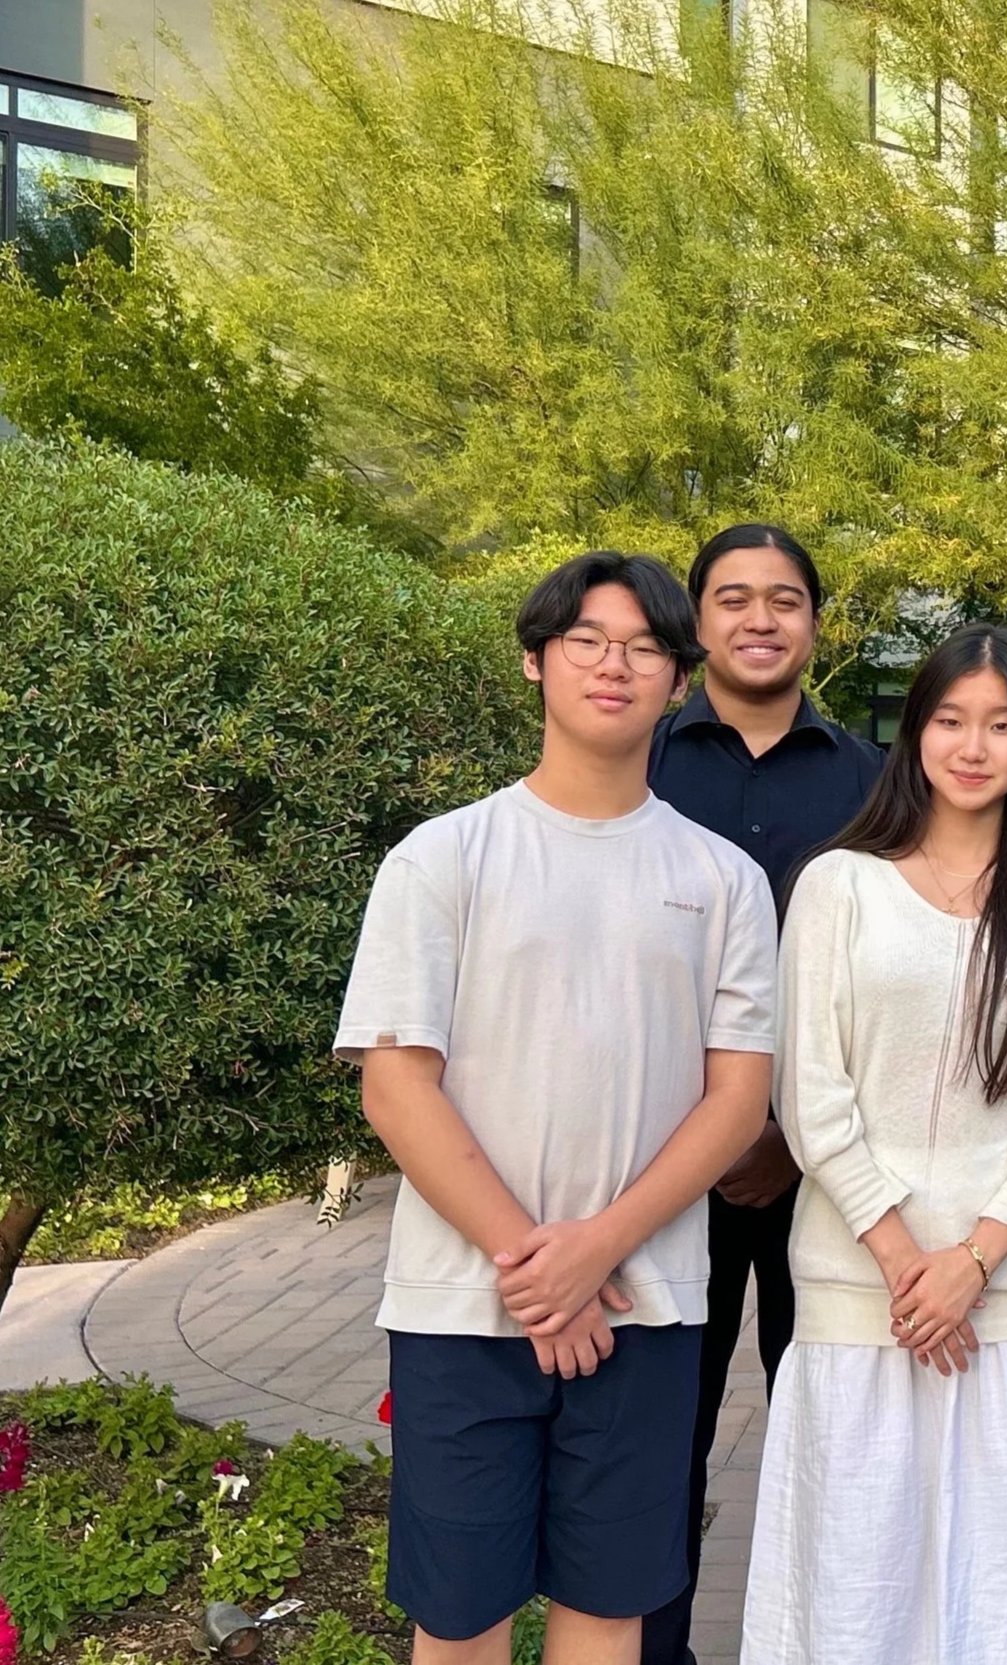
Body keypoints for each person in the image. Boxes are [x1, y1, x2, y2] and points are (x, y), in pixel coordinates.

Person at [336, 552, 779, 1665]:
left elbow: (739, 1099)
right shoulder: (443, 858)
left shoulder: (722, 877)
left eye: (644, 647)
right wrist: (538, 1269)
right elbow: (396, 1083)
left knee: (609, 1609)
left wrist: (597, 1253)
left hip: (646, 1303)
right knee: (461, 1617)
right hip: (461, 1308)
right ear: (535, 660)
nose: (614, 666)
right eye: (587, 640)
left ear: (680, 679)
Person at [741, 624, 1007, 1665]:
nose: (973, 744)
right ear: (914, 734)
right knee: (855, 1593)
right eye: (950, 719)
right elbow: (812, 1097)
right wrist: (910, 1268)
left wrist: (974, 1262)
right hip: (862, 1298)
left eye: (1000, 724)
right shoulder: (838, 886)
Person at [643, 523, 884, 1665]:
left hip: (826, 1170)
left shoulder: (876, 782)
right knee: (657, 1438)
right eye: (732, 598)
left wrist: (789, 1131)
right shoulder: (637, 759)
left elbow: (886, 976)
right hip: (659, 1169)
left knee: (830, 1431)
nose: (759, 618)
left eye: (784, 599)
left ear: (814, 625)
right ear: (697, 621)